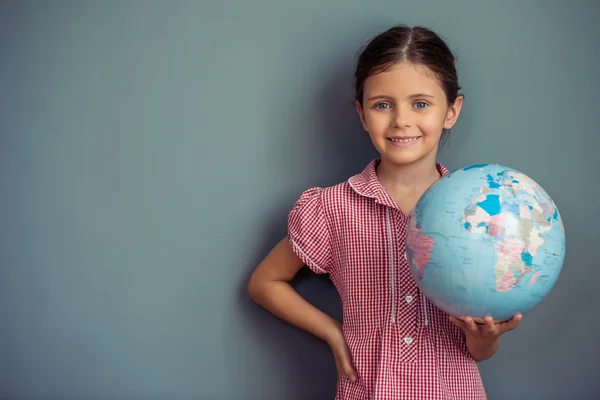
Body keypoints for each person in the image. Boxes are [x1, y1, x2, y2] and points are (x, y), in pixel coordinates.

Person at [247, 24, 522, 400]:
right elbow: (265, 282)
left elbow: (479, 352)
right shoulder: (331, 208)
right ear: (362, 114)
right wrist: (333, 331)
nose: (400, 120)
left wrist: (483, 338)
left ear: (451, 111)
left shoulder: (480, 211)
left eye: (420, 103)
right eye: (382, 105)